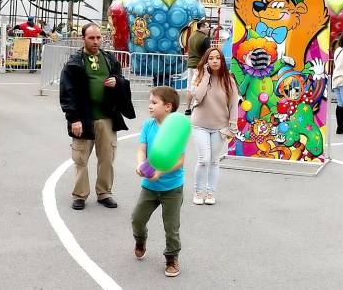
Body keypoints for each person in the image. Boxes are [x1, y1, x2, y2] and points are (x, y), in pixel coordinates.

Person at [60, 23, 135, 210]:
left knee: (107, 158)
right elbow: (67, 92)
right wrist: (74, 118)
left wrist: (117, 82)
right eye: (91, 38)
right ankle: (80, 195)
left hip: (107, 118)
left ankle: (104, 192)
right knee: (81, 159)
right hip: (84, 119)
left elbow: (121, 79)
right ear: (83, 39)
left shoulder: (109, 59)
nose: (96, 41)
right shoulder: (74, 63)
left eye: (98, 37)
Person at [132, 86, 185, 277]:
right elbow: (141, 149)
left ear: (168, 107)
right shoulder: (148, 125)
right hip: (149, 187)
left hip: (172, 188)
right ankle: (140, 240)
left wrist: (160, 173)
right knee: (137, 220)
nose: (150, 106)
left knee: (171, 228)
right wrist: (140, 165)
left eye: (154, 103)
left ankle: (171, 258)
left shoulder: (176, 129)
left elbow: (180, 160)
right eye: (150, 102)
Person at [190, 47, 238, 206]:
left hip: (220, 127)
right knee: (204, 159)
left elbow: (233, 105)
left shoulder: (228, 79)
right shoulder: (199, 75)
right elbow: (197, 95)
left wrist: (233, 126)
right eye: (211, 58)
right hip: (200, 125)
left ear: (222, 60)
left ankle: (210, 193)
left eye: (218, 58)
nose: (215, 61)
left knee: (214, 161)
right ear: (206, 61)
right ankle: (198, 191)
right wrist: (205, 76)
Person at [184, 20, 211, 115]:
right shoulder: (205, 38)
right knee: (200, 88)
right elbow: (208, 54)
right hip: (200, 66)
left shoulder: (192, 36)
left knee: (190, 88)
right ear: (202, 27)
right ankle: (199, 109)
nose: (209, 29)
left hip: (190, 65)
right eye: (207, 27)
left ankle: (187, 109)